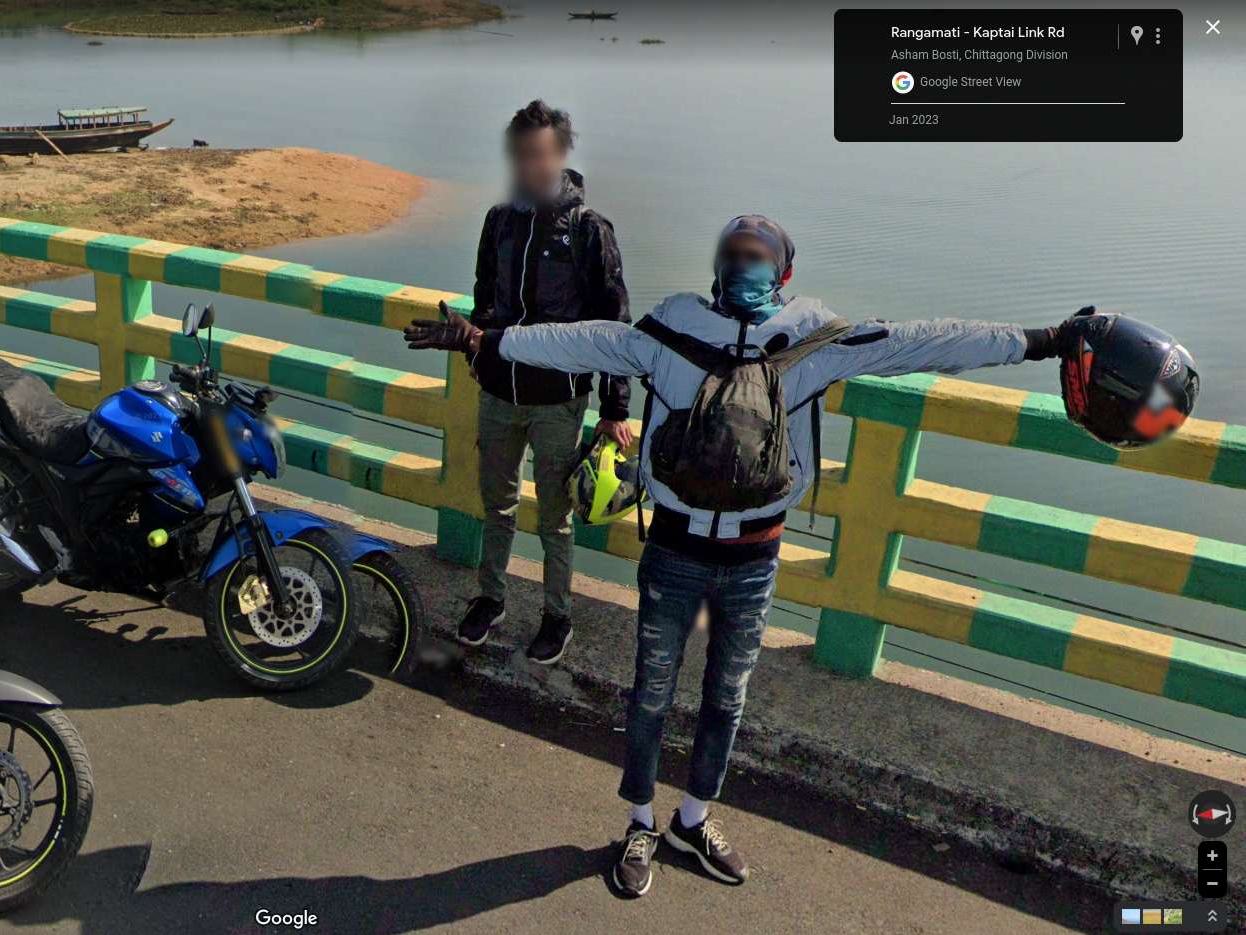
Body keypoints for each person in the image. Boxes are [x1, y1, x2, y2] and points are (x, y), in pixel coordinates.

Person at [406, 214, 1093, 898]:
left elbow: (924, 342)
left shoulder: (796, 342)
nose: (744, 267)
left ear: (780, 271)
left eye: (755, 255)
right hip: (689, 550)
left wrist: (1041, 341)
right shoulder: (699, 334)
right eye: (737, 254)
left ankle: (689, 820)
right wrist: (488, 339)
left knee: (715, 698)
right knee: (660, 696)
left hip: (741, 557)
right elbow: (583, 339)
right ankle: (641, 822)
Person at [456, 100, 632, 665]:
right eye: (521, 153)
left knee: (554, 518)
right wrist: (476, 350)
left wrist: (614, 408)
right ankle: (491, 599)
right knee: (497, 506)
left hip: (559, 401)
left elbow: (614, 325)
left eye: (540, 153)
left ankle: (558, 615)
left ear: (561, 154)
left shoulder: (588, 230)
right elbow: (485, 297)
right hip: (498, 394)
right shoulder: (499, 221)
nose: (530, 164)